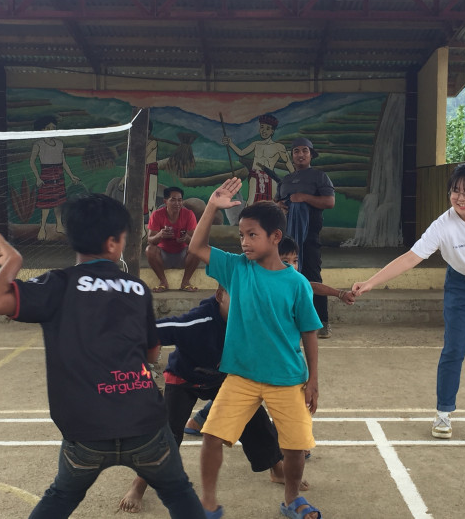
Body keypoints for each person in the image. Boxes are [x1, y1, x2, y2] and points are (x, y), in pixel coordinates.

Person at [0, 193, 204, 519]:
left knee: (60, 497)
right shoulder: (136, 287)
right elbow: (152, 350)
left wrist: (13, 262)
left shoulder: (57, 284)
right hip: (144, 424)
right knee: (179, 493)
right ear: (113, 244)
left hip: (84, 431)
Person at [353, 163, 465, 440]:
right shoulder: (443, 225)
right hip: (461, 285)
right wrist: (371, 282)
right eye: (455, 191)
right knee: (453, 349)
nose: (461, 198)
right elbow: (410, 258)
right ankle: (443, 414)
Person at [189, 178, 323, 519]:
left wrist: (313, 380)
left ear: (275, 237)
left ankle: (292, 498)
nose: (245, 242)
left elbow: (309, 332)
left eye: (252, 235)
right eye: (241, 236)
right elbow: (197, 247)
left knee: (295, 446)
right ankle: (207, 503)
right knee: (212, 437)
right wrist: (212, 207)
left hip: (287, 378)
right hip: (241, 376)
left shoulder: (297, 283)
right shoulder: (236, 269)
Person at [118, 285, 309, 513]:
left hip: (223, 379)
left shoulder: (253, 323)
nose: (244, 306)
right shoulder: (198, 322)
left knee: (255, 419)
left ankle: (276, 468)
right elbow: (154, 330)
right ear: (220, 295)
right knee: (167, 432)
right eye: (237, 297)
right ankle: (139, 484)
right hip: (184, 378)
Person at [275, 137, 335, 339]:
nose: (300, 155)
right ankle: (288, 320)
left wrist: (305, 198)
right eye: (296, 151)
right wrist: (279, 207)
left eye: (305, 151)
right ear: (292, 155)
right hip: (285, 238)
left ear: (311, 154)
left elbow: (329, 202)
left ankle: (322, 321)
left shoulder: (320, 177)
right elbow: (277, 203)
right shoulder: (285, 181)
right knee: (284, 277)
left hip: (309, 236)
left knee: (311, 276)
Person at [221, 114, 294, 205]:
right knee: (251, 202)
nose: (264, 131)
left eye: (268, 128)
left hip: (271, 177)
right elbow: (241, 153)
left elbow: (287, 162)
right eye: (262, 127)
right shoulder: (256, 144)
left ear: (272, 131)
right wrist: (230, 143)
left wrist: (295, 177)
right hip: (255, 175)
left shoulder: (278, 147)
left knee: (273, 203)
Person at [29, 115, 81, 241]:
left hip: (58, 173)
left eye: (53, 127)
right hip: (46, 173)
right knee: (46, 203)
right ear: (41, 129)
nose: (51, 129)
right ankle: (43, 227)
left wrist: (71, 175)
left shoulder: (59, 144)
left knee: (59, 201)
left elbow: (63, 162)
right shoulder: (38, 144)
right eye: (48, 128)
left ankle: (59, 224)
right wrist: (37, 178)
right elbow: (32, 162)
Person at [146, 186, 200, 292]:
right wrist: (160, 235)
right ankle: (163, 282)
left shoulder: (189, 214)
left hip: (183, 255)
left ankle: (185, 282)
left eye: (180, 200)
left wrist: (186, 238)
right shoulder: (157, 215)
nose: (177, 203)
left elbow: (194, 242)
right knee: (149, 250)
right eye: (173, 200)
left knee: (197, 250)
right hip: (163, 256)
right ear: (165, 201)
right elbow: (150, 240)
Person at [279, 235, 356, 306]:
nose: (292, 266)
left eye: (295, 261)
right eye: (285, 261)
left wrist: (341, 294)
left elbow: (313, 287)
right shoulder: (268, 282)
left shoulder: (296, 282)